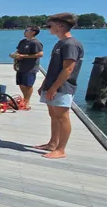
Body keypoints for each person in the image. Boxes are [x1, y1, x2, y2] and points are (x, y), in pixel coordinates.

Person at [33, 13, 84, 159]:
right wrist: (45, 84)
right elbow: (54, 67)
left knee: (62, 117)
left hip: (62, 87)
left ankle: (61, 149)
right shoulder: (60, 43)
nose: (48, 28)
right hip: (51, 85)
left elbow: (68, 69)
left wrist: (54, 88)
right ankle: (52, 143)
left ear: (60, 26)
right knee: (53, 115)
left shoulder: (70, 44)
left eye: (50, 25)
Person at [13, 26, 43, 107]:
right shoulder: (22, 41)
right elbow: (18, 51)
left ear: (33, 32)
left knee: (28, 85)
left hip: (30, 67)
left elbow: (40, 54)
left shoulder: (35, 43)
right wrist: (15, 56)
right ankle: (24, 99)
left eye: (27, 30)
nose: (24, 31)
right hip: (20, 66)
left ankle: (27, 102)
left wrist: (24, 56)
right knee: (21, 83)